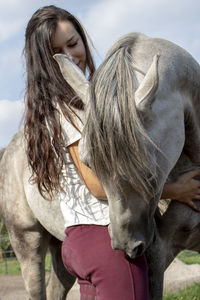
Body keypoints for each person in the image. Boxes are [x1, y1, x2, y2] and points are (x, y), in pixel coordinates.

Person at [24, 5, 200, 300]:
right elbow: (97, 184)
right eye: (58, 52)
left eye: (73, 43)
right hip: (106, 240)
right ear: (45, 62)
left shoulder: (62, 107)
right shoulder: (73, 111)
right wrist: (175, 190)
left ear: (83, 38)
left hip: (80, 242)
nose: (71, 56)